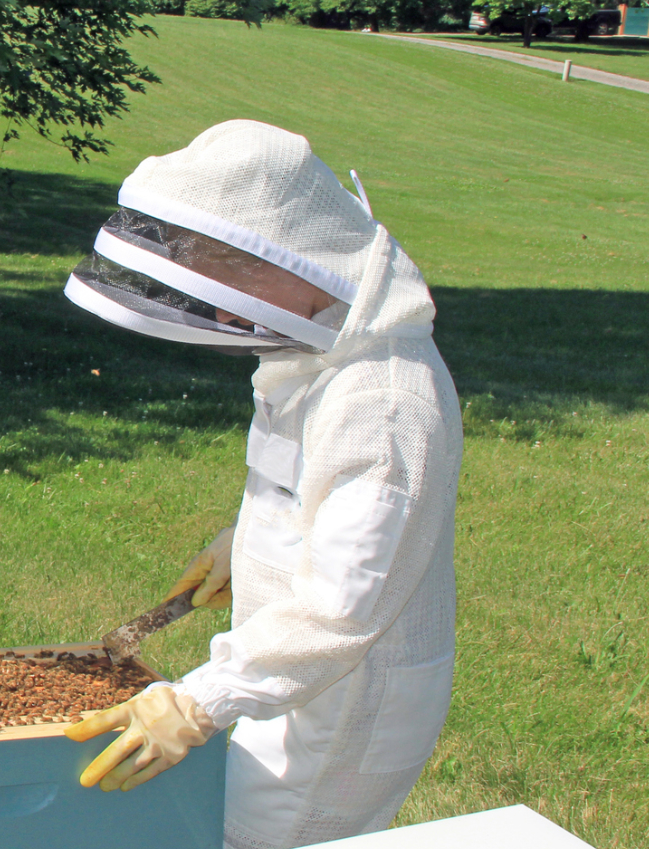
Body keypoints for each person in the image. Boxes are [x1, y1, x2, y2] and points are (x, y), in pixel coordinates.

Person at [61, 120, 463, 849]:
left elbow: (340, 611)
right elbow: (314, 495)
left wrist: (199, 701)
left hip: (342, 704)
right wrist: (247, 540)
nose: (220, 310)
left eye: (231, 279)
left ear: (294, 256)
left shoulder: (384, 400)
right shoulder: (318, 349)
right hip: (290, 676)